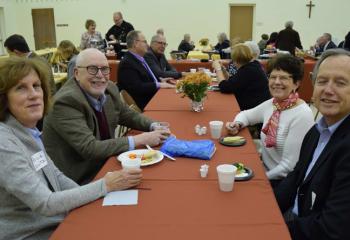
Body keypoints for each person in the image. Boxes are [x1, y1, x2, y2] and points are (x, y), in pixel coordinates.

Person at [0, 57, 142, 239]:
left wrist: (91, 202)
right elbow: (45, 203)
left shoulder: (26, 129)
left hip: (55, 220)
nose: (34, 94)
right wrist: (104, 185)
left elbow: (56, 177)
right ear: (4, 97)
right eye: (21, 88)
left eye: (36, 86)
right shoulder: (4, 143)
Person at [43, 48, 170, 184]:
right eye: (92, 69)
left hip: (108, 162)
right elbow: (90, 148)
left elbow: (126, 114)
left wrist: (153, 125)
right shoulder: (65, 102)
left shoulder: (109, 87)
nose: (100, 75)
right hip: (80, 179)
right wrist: (140, 139)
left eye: (104, 69)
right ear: (76, 73)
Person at [274, 49, 350, 240]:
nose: (328, 90)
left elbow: (332, 229)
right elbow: (297, 175)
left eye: (340, 83)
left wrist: (273, 228)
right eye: (322, 81)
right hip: (297, 217)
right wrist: (267, 207)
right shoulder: (317, 130)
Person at [226, 54, 314, 187]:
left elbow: (288, 167)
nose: (276, 82)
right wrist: (237, 124)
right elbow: (246, 115)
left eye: (283, 78)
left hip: (282, 182)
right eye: (273, 77)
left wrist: (258, 178)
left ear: (296, 83)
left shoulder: (302, 115)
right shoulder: (273, 104)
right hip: (266, 171)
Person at [118, 30, 175, 110]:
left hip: (153, 98)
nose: (147, 45)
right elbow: (137, 87)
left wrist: (160, 81)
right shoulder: (127, 63)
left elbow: (145, 79)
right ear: (135, 43)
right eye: (145, 41)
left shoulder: (138, 59)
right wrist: (159, 85)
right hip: (146, 105)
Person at [212, 43, 270, 110]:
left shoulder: (248, 70)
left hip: (255, 111)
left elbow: (224, 87)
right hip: (259, 107)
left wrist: (218, 69)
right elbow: (232, 81)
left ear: (235, 60)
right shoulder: (252, 66)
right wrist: (223, 70)